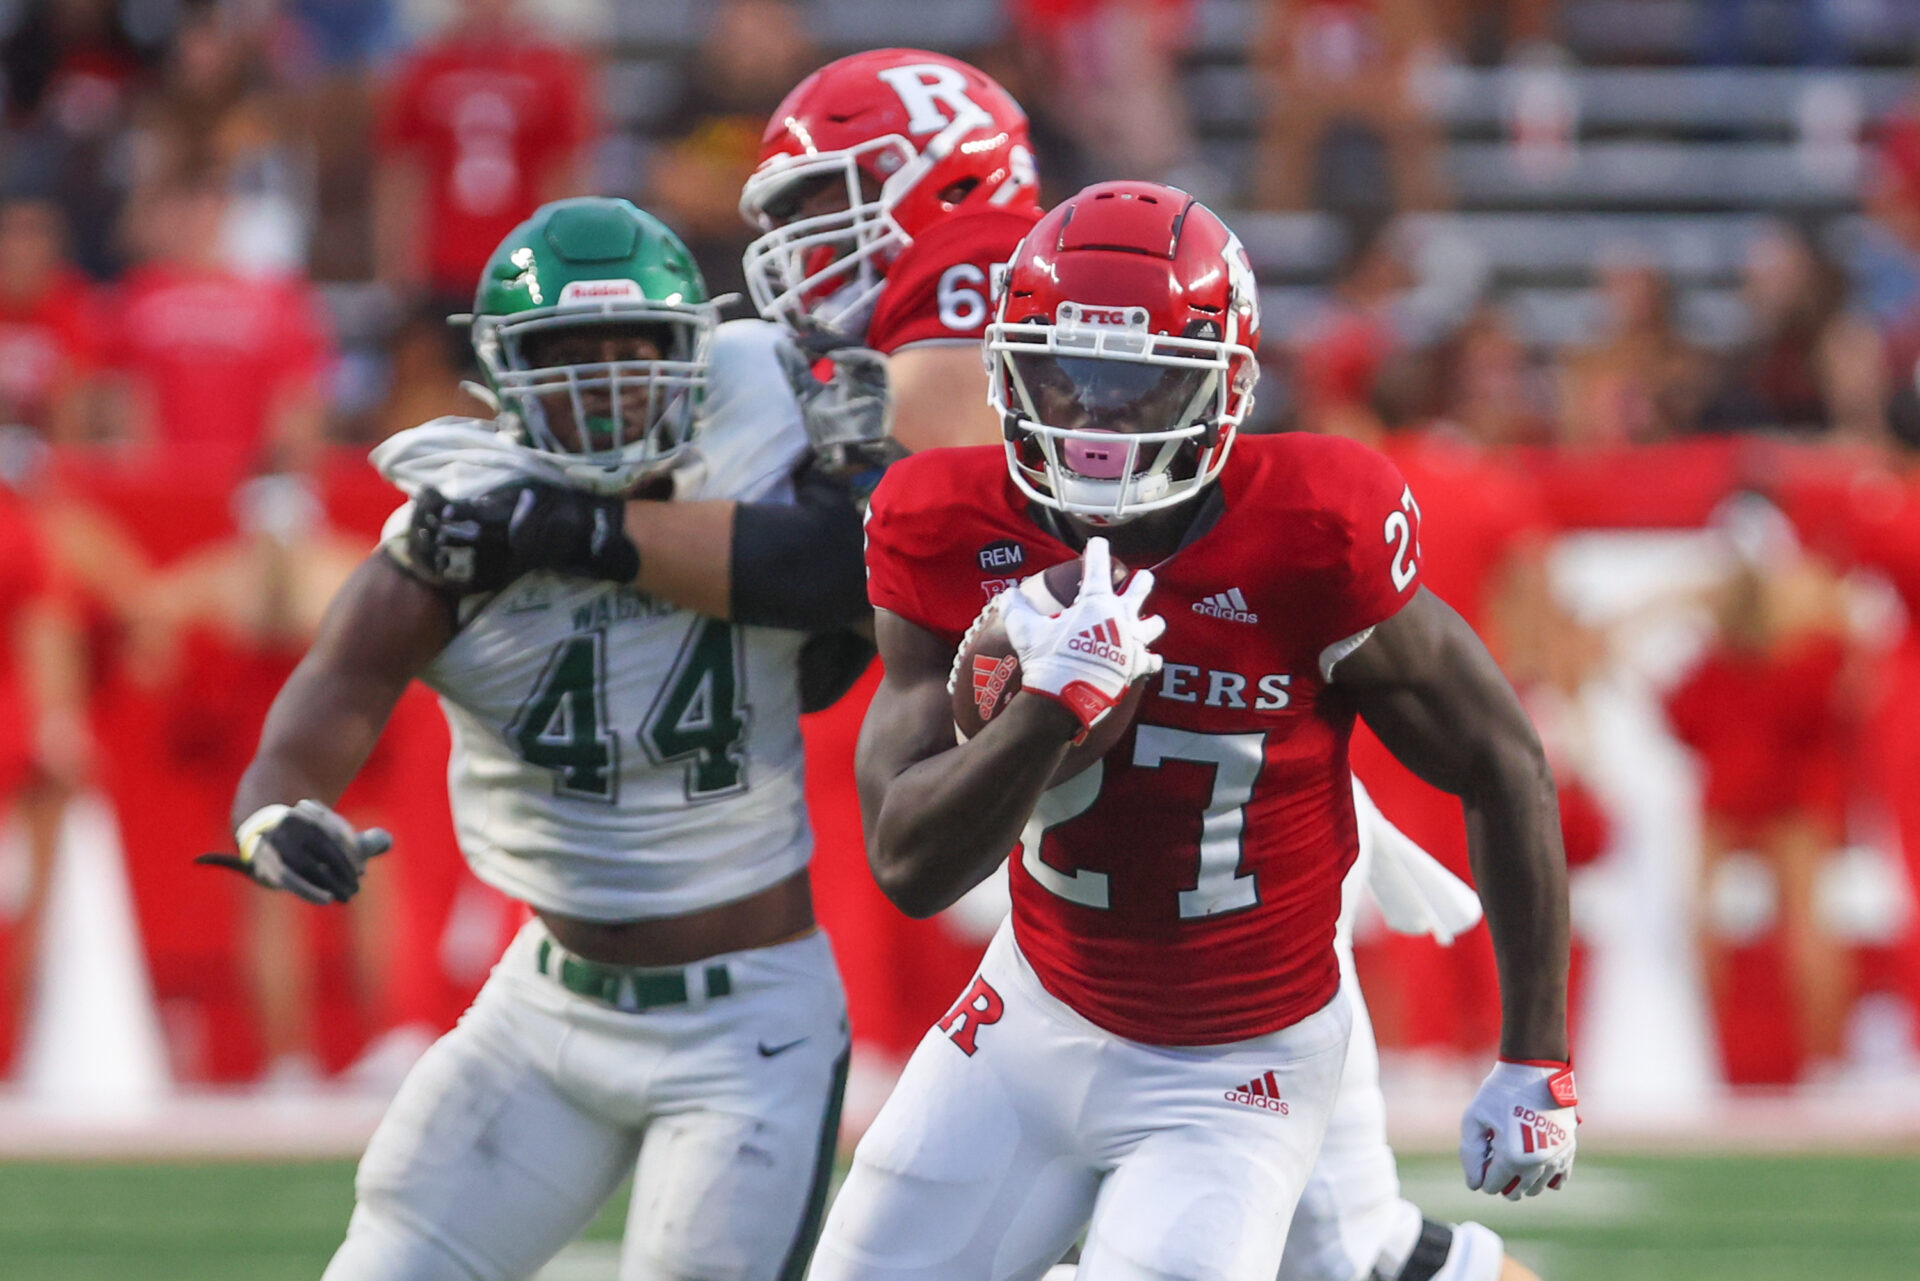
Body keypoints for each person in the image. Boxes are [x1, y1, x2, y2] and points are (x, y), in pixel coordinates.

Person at [820, 181, 1575, 1281]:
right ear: (1006, 370)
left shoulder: (1313, 529)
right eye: (1062, 375)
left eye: (1135, 385)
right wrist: (1048, 714)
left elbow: (1501, 758)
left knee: (1340, 1257)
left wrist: (1536, 1058)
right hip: (1034, 1011)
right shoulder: (943, 522)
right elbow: (908, 861)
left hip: (1239, 1059)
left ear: (1226, 391)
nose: (1091, 418)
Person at [208, 196, 878, 1280]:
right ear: (503, 373)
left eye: (638, 349)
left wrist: (595, 529)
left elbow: (856, 569)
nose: (610, 381)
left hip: (746, 1024)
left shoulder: (762, 447)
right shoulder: (461, 528)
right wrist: (273, 817)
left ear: (696, 354)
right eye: (572, 353)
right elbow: (328, 697)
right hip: (546, 1006)